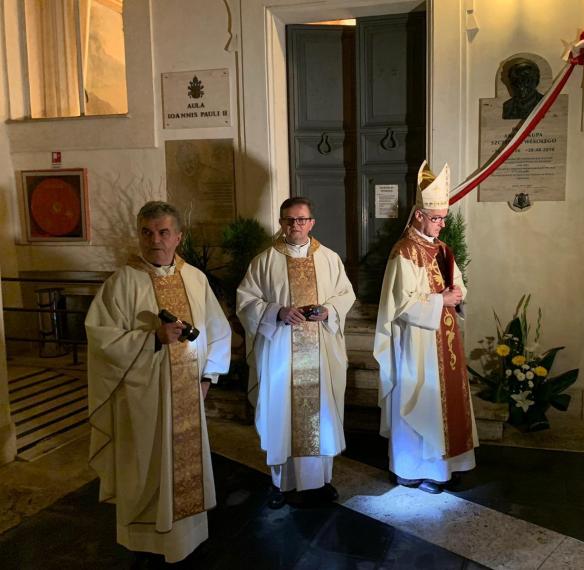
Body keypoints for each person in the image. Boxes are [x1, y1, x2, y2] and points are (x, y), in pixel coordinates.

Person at [86, 201, 231, 564]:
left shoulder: (195, 278)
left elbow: (218, 330)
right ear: (139, 235)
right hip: (143, 398)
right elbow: (100, 339)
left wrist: (208, 377)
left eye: (164, 232)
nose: (155, 241)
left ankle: (187, 538)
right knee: (146, 466)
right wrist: (152, 338)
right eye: (147, 233)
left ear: (178, 237)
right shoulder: (122, 282)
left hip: (187, 394)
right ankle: (146, 542)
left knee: (185, 470)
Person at [237, 197, 355, 508]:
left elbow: (345, 294)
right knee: (281, 415)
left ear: (311, 223)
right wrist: (276, 312)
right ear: (281, 222)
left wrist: (328, 311)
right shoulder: (264, 261)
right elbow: (246, 301)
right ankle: (283, 483)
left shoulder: (329, 259)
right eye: (289, 220)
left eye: (302, 219)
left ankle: (321, 481)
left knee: (322, 416)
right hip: (281, 355)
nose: (296, 225)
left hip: (320, 353)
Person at [374, 161, 479, 494]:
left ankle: (447, 466)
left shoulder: (443, 250)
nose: (442, 224)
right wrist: (440, 301)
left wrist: (457, 296)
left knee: (445, 403)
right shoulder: (404, 251)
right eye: (436, 218)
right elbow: (400, 304)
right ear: (419, 215)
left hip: (445, 340)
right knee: (420, 401)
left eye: (444, 218)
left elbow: (457, 285)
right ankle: (412, 470)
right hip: (416, 343)